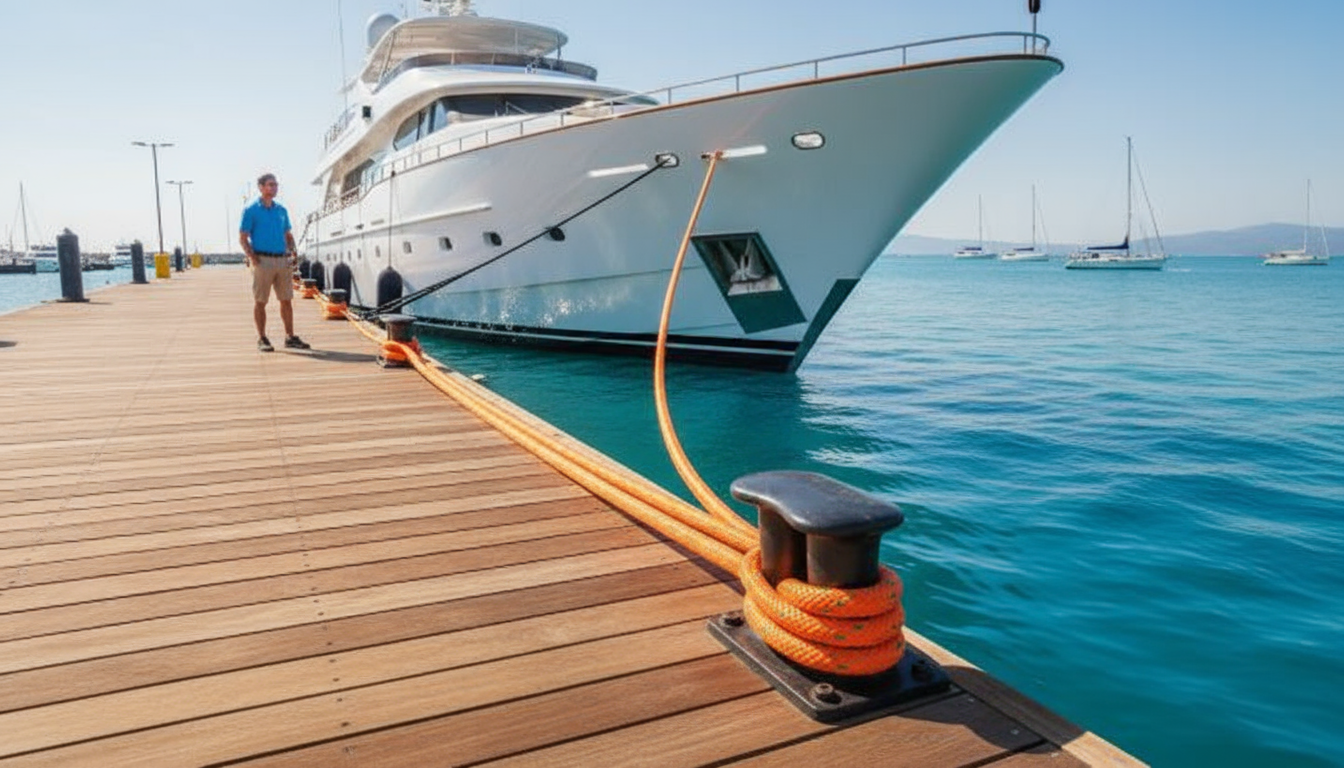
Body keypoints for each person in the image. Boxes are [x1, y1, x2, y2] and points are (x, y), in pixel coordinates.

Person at [239, 173, 310, 352]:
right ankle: (262, 338)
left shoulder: (281, 210)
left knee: (286, 300)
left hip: (282, 260)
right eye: (270, 185)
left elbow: (288, 235)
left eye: (275, 185)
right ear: (261, 187)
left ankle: (290, 337)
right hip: (262, 260)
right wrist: (252, 257)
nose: (274, 188)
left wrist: (292, 252)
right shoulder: (250, 210)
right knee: (260, 301)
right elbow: (243, 237)